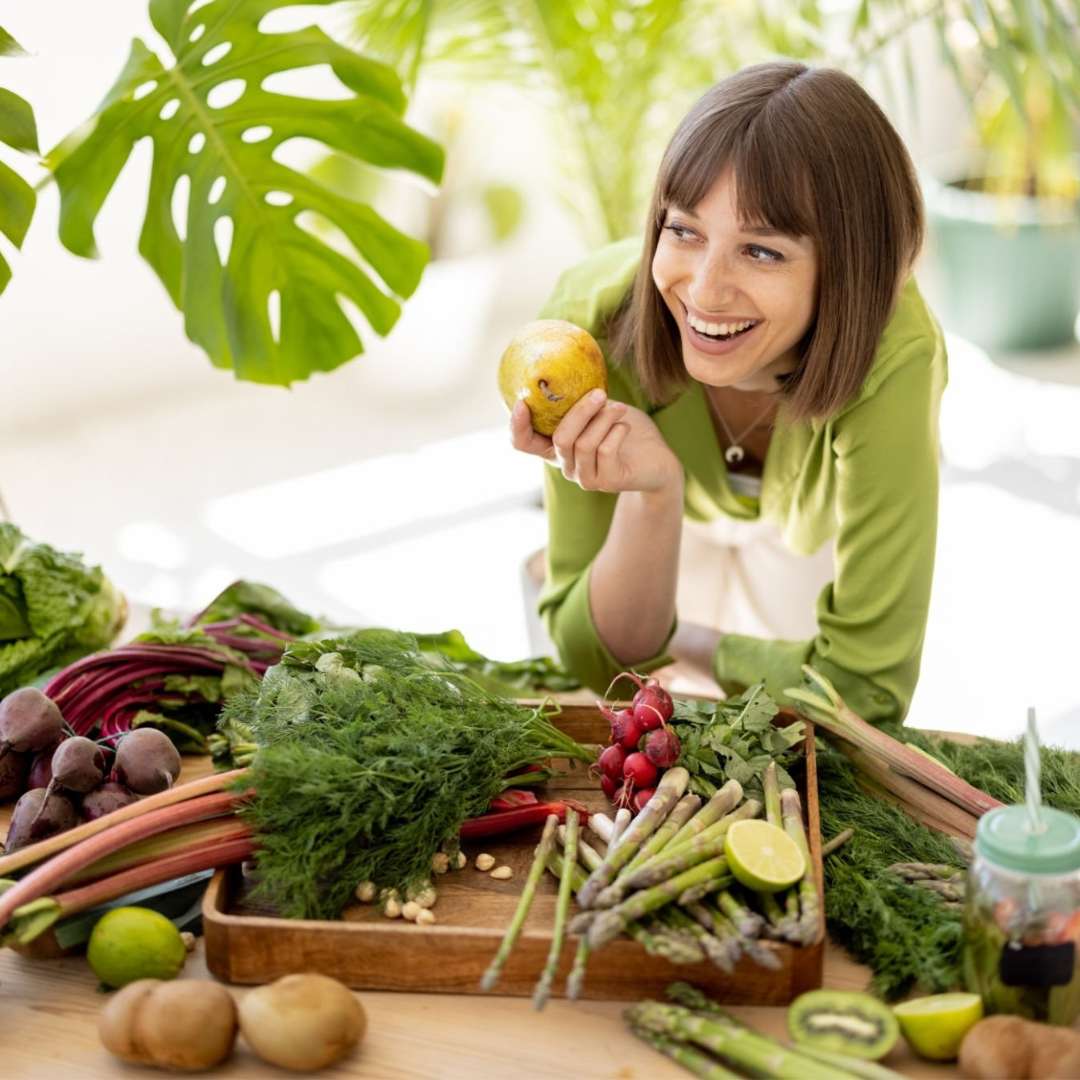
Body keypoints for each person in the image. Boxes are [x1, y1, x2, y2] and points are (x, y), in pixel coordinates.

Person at [510, 60, 947, 725]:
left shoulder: (895, 354)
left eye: (762, 251)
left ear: (849, 265)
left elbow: (865, 691)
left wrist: (691, 646)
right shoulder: (588, 333)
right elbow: (595, 662)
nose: (706, 291)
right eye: (684, 231)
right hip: (674, 520)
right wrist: (652, 493)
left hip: (806, 527)